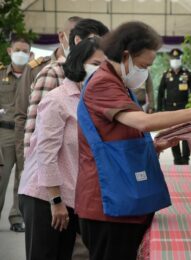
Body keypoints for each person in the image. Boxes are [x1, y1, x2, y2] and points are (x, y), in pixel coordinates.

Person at [75, 21, 191, 260]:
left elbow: (117, 136)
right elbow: (142, 122)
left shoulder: (117, 82)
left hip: (121, 197)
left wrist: (154, 146)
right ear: (125, 56)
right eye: (144, 65)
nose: (146, 72)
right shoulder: (103, 84)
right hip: (106, 203)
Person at [18, 37, 105, 260]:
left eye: (104, 65)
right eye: (96, 63)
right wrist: (55, 201)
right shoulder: (57, 100)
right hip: (45, 197)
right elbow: (45, 154)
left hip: (70, 196)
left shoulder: (89, 99)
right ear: (78, 62)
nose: (101, 70)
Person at [23, 18, 109, 156]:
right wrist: (32, 167)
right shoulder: (53, 73)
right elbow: (35, 128)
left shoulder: (94, 77)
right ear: (78, 41)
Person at [14, 16, 82, 170]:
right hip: (38, 154)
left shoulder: (87, 70)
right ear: (61, 36)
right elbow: (22, 115)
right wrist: (25, 159)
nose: (78, 43)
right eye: (74, 36)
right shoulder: (37, 68)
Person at [0, 36, 31, 233]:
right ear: (10, 51)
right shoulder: (1, 73)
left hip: (27, 131)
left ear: (30, 54)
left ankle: (17, 217)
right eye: (17, 49)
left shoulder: (34, 73)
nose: (21, 54)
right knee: (1, 176)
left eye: (25, 51)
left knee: (23, 176)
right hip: (4, 132)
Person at [157, 48, 191, 165]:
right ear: (170, 60)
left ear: (180, 59)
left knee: (185, 133)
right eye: (173, 58)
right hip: (170, 108)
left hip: (185, 107)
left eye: (177, 58)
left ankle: (185, 158)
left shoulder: (187, 73)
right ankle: (177, 158)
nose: (175, 60)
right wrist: (160, 110)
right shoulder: (166, 74)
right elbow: (160, 92)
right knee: (173, 133)